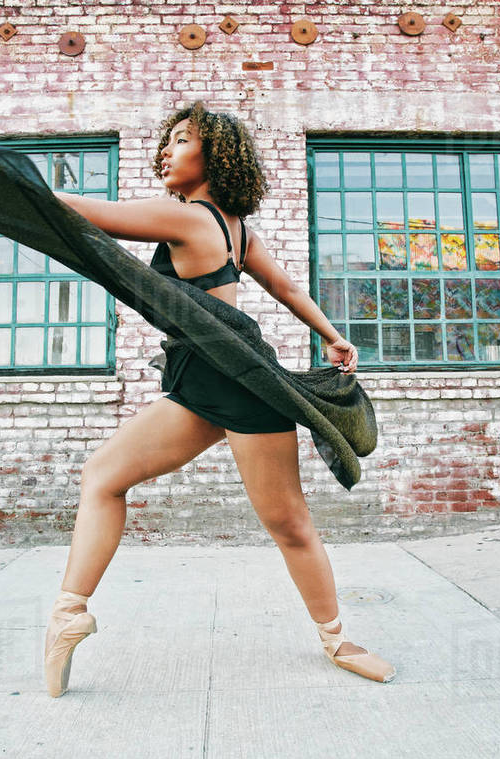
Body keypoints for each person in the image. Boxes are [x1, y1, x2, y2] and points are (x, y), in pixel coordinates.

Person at [43, 102, 395, 697]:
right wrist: (332, 334)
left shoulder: (189, 219)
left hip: (230, 379)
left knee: (286, 521)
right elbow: (283, 286)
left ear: (215, 156)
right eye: (168, 141)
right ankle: (67, 616)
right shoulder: (233, 227)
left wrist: (5, 179)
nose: (166, 151)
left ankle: (336, 638)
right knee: (104, 476)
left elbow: (80, 211)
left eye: (181, 141)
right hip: (212, 376)